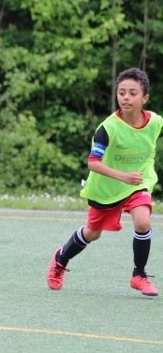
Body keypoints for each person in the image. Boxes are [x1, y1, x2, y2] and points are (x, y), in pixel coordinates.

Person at [47, 67, 162, 296]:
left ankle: (138, 275)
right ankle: (61, 258)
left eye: (132, 93)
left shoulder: (155, 121)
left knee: (142, 222)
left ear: (145, 98)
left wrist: (131, 179)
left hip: (138, 183)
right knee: (93, 233)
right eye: (121, 93)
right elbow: (93, 163)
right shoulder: (107, 128)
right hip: (106, 188)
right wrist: (123, 176)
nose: (126, 97)